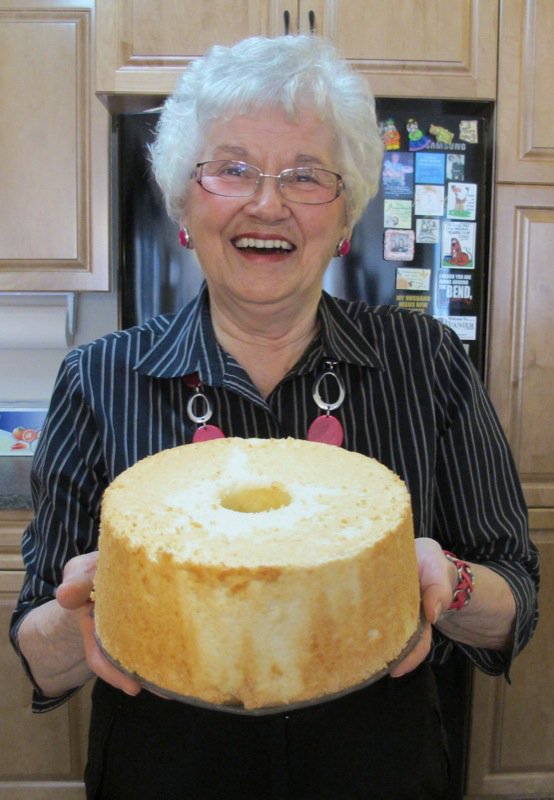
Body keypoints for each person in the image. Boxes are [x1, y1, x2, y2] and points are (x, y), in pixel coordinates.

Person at [10, 34, 539, 800]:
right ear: (183, 204)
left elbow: (514, 596)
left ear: (346, 216)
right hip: (166, 772)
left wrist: (449, 585)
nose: (268, 202)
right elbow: (36, 646)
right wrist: (96, 610)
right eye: (232, 169)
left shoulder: (426, 361)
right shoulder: (98, 378)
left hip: (379, 768)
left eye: (305, 175)